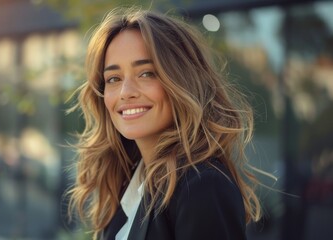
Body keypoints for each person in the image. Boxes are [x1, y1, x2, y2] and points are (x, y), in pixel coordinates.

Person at [68, 7, 262, 240]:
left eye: (147, 73)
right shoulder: (127, 186)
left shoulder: (203, 187)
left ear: (182, 81)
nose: (125, 92)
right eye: (113, 79)